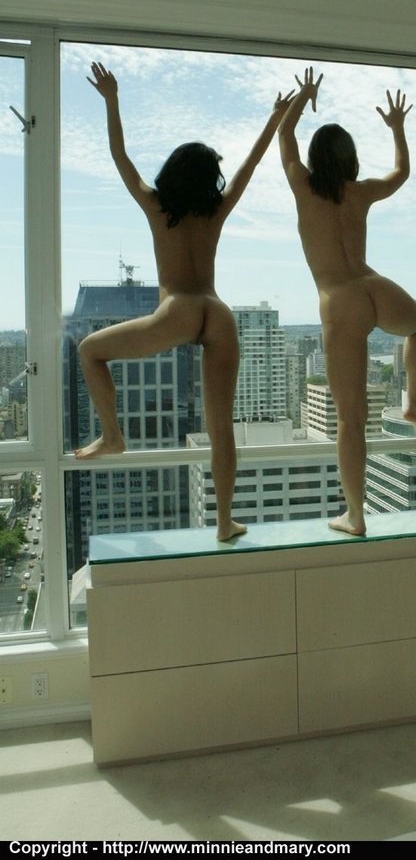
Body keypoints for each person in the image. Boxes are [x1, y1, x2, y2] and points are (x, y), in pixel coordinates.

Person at [75, 61, 294, 541]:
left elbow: (120, 156)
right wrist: (275, 118)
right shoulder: (216, 210)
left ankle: (112, 436)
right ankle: (225, 522)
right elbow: (249, 166)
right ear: (207, 178)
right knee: (221, 428)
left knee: (89, 350)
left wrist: (112, 100)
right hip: (218, 312)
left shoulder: (157, 206)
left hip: (178, 310)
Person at [278, 67, 416, 537]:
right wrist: (398, 128)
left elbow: (284, 133)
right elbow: (401, 173)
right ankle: (412, 404)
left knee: (350, 419)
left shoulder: (304, 186)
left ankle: (355, 514)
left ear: (316, 158)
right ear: (350, 160)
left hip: (339, 300)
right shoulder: (360, 192)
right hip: (372, 286)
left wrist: (303, 96)